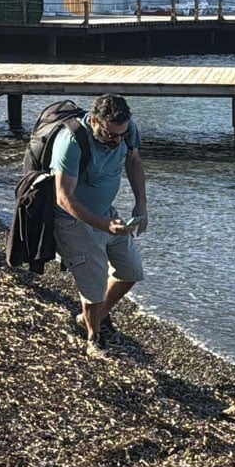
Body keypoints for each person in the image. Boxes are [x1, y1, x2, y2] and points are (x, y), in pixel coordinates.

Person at [50, 93, 148, 356]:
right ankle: (93, 338)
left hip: (107, 214)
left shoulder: (127, 131)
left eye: (121, 134)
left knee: (131, 271)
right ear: (93, 121)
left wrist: (141, 204)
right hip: (73, 221)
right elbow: (63, 198)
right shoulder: (70, 141)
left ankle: (91, 317)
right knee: (92, 286)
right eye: (109, 135)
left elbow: (134, 160)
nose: (117, 140)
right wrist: (104, 225)